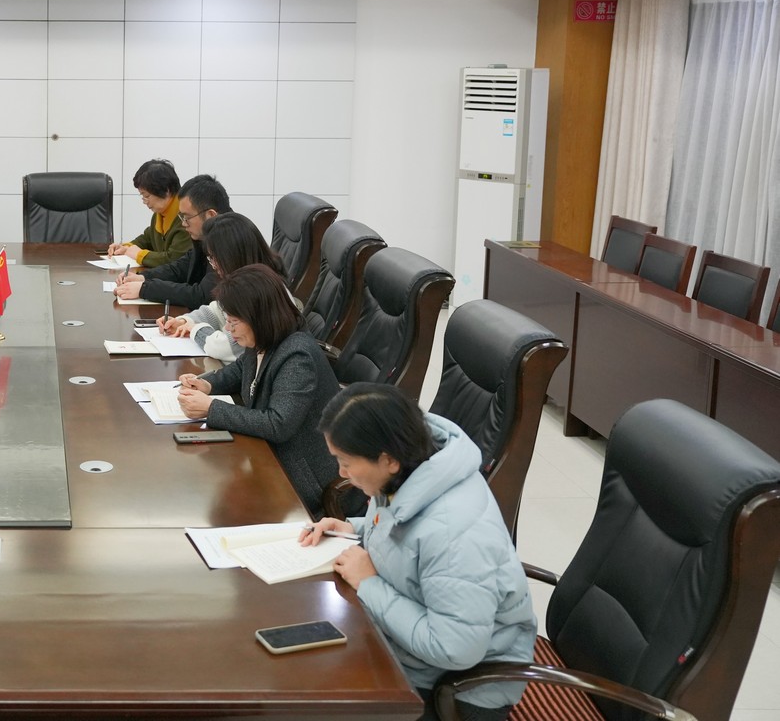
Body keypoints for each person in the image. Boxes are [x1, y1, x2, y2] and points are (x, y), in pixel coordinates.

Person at [300, 383, 535, 721]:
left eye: (346, 462)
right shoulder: (409, 471)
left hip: (459, 689)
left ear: (388, 460)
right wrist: (354, 528)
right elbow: (402, 526)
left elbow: (454, 649)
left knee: (314, 697)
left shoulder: (455, 534)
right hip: (410, 649)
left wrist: (369, 584)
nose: (341, 473)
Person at [175, 264, 339, 515]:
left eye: (233, 322)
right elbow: (242, 368)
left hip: (298, 479)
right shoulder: (264, 338)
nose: (228, 329)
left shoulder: (297, 356)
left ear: (258, 317)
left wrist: (211, 408)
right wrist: (208, 384)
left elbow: (278, 424)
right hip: (266, 456)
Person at [158, 212, 286, 362]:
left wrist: (195, 330)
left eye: (214, 258)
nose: (213, 265)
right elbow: (217, 310)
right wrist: (184, 322)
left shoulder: (263, 290)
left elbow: (226, 347)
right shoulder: (243, 283)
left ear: (231, 256)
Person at [114, 174, 229, 309]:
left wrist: (145, 289)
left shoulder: (229, 241)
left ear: (210, 215)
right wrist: (143, 277)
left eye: (187, 217)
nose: (183, 224)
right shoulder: (208, 234)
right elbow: (182, 267)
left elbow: (203, 295)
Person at [106, 159, 191, 268]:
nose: (144, 201)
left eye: (146, 196)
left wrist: (139, 255)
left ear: (167, 190)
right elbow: (148, 238)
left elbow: (174, 259)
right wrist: (126, 247)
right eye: (142, 196)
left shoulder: (186, 218)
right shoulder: (161, 213)